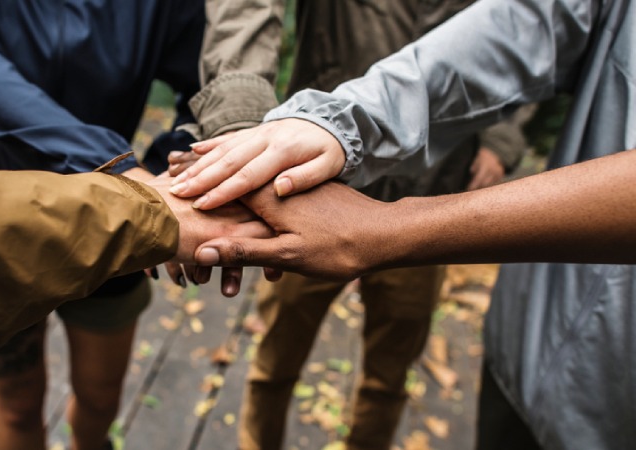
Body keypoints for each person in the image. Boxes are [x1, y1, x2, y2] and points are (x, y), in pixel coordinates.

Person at [181, 0, 636, 448]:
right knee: (277, 355)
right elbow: (529, 26)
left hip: (436, 193)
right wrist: (250, 129)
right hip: (301, 193)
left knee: (390, 370)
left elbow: (535, 41)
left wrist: (497, 143)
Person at [0, 136, 269, 449]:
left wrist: (178, 174)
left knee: (100, 400)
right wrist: (143, 203)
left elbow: (194, 73)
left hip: (122, 239)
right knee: (17, 405)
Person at [0, 1, 205, 448]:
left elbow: (201, 88)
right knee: (17, 402)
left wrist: (166, 167)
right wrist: (115, 168)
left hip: (113, 223)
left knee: (101, 398)